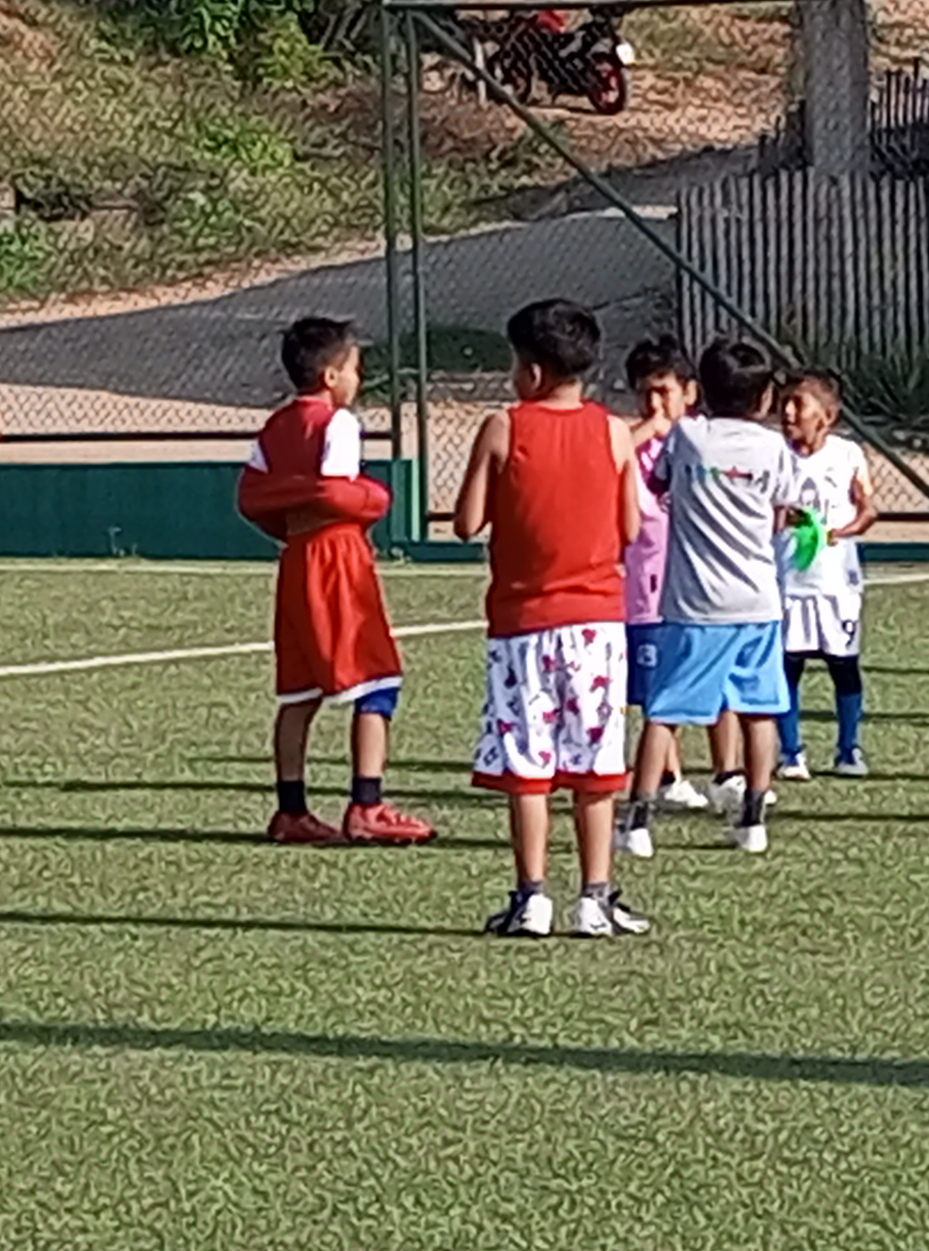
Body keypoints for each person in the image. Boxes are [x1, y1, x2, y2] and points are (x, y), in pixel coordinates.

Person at [450, 297, 646, 939]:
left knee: (527, 764)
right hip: (597, 624)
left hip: (523, 625)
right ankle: (595, 897)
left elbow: (466, 521)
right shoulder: (614, 433)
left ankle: (532, 896)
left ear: (531, 371)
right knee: (597, 764)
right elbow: (629, 526)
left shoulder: (502, 428)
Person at [237, 316, 431, 848]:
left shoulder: (276, 426)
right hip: (335, 557)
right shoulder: (338, 423)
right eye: (354, 369)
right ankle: (367, 804)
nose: (357, 379)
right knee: (377, 680)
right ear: (330, 376)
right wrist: (377, 498)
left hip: (296, 556)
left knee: (299, 691)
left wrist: (288, 512)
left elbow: (251, 496)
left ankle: (291, 810)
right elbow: (335, 493)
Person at [646, 334, 809, 856]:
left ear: (702, 391)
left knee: (665, 710)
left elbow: (657, 484)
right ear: (763, 398)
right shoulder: (773, 448)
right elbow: (786, 510)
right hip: (757, 599)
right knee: (759, 709)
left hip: (693, 602)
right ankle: (753, 819)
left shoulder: (688, 436)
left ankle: (637, 822)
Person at [614, 335, 699, 859]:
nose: (654, 404)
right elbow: (608, 458)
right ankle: (662, 780)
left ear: (688, 393)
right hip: (644, 588)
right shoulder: (633, 442)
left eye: (663, 392)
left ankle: (674, 774)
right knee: (652, 695)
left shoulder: (698, 445)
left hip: (689, 586)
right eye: (645, 393)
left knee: (672, 688)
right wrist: (647, 430)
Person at [775, 369, 877, 779]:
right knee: (787, 667)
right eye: (784, 402)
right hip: (787, 583)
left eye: (798, 403)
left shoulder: (847, 455)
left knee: (843, 665)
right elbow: (764, 511)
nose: (787, 412)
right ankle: (790, 753)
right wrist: (783, 517)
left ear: (827, 416)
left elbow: (868, 509)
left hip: (836, 584)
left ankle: (848, 749)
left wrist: (840, 532)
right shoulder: (774, 455)